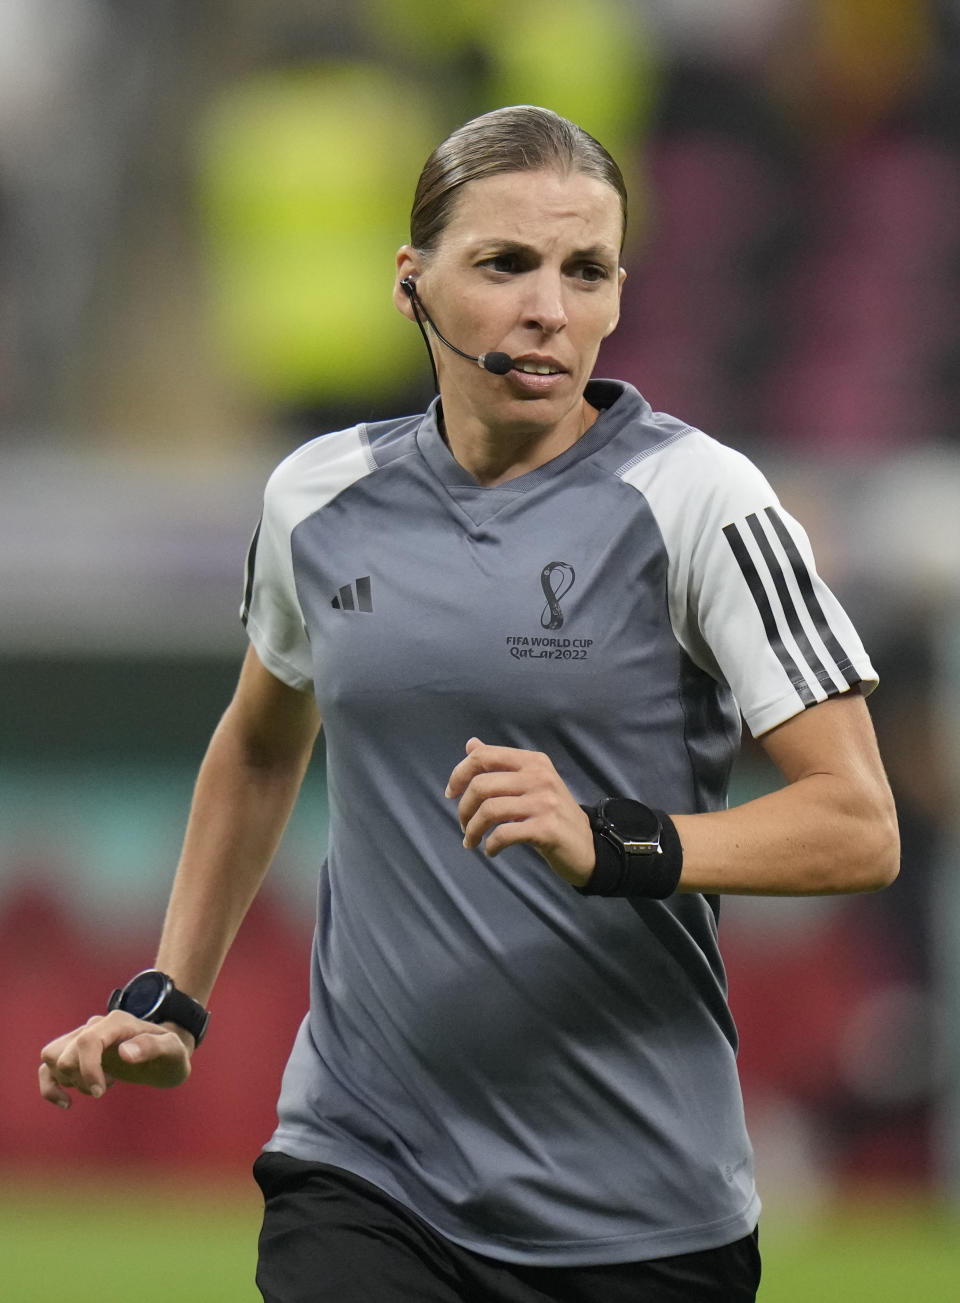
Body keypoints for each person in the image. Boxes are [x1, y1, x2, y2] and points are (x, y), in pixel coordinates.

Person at [39, 105, 899, 1302]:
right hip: (364, 1166)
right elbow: (256, 747)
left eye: (584, 270)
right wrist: (170, 995)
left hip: (637, 1211)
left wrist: (616, 840)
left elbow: (858, 822)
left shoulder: (702, 500)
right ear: (414, 283)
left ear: (616, 294)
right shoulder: (318, 497)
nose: (548, 305)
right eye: (505, 263)